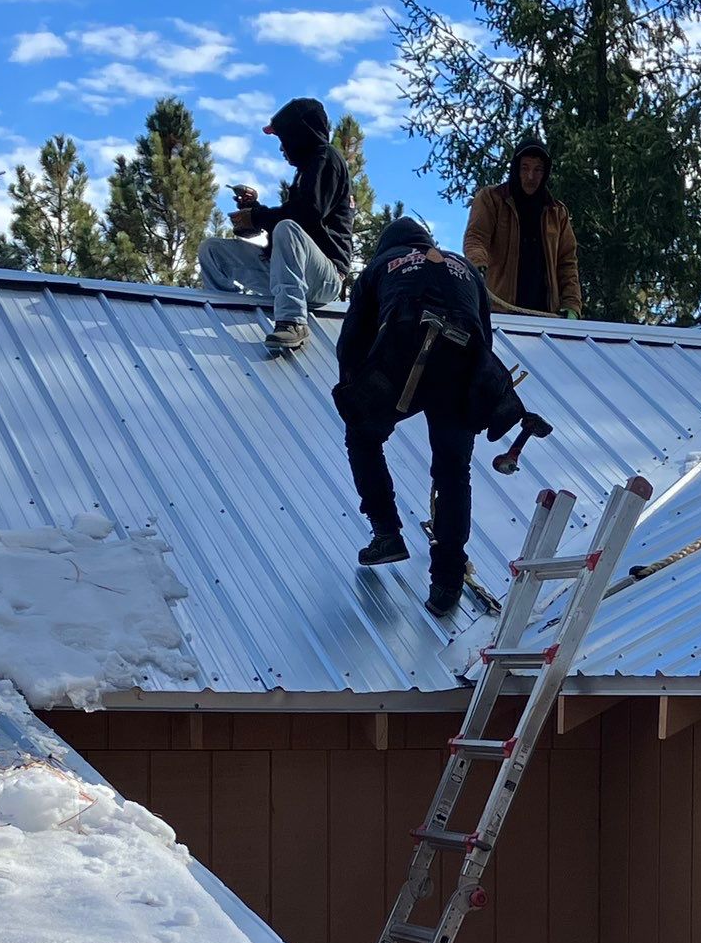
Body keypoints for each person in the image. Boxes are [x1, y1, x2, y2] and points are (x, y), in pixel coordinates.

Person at [332, 215, 552, 619]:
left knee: (362, 435)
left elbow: (351, 343)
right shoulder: (463, 267)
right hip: (463, 360)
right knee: (453, 471)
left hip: (403, 346)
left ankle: (386, 532)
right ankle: (447, 582)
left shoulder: (380, 266)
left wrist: (357, 396)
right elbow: (484, 336)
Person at [198, 97, 357, 355]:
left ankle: (293, 322)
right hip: (288, 274)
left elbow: (306, 216)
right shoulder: (307, 169)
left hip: (324, 278)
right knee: (212, 250)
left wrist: (257, 216)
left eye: (284, 138)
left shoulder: (326, 159)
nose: (282, 147)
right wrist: (255, 211)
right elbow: (296, 216)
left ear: (299, 134)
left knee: (287, 228)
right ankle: (224, 314)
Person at [462, 137, 584, 318]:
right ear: (516, 169)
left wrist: (572, 303)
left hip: (545, 315)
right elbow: (476, 237)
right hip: (499, 311)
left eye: (538, 170)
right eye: (525, 168)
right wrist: (478, 263)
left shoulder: (557, 213)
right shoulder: (492, 199)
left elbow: (567, 263)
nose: (531, 176)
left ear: (545, 173)